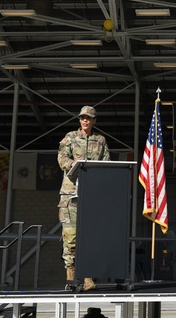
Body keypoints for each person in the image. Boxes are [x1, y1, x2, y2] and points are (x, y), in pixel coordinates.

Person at [57, 105, 110, 291]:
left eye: (88, 118)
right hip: (71, 195)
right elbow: (61, 158)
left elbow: (106, 163)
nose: (85, 120)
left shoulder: (100, 140)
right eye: (82, 118)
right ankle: (71, 277)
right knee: (70, 237)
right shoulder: (71, 137)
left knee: (90, 237)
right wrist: (74, 163)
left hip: (92, 195)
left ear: (94, 120)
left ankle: (88, 277)